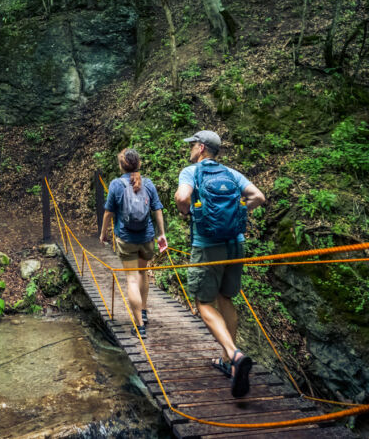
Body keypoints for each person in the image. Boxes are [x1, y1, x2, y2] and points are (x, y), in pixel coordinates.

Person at [175, 129, 266, 398]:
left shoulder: (191, 172)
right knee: (226, 297)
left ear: (202, 148)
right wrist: (240, 212)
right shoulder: (232, 174)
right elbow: (258, 197)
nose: (190, 149)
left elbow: (182, 198)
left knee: (204, 303)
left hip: (207, 246)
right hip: (236, 244)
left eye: (192, 145)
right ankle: (228, 363)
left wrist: (188, 212)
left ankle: (234, 355)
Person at [99, 148, 166, 338]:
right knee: (143, 273)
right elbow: (157, 209)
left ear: (121, 166)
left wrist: (104, 234)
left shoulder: (116, 185)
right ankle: (143, 311)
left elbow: (108, 212)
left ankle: (139, 325)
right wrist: (162, 234)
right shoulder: (149, 184)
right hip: (147, 238)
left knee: (131, 278)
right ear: (139, 164)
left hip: (126, 239)